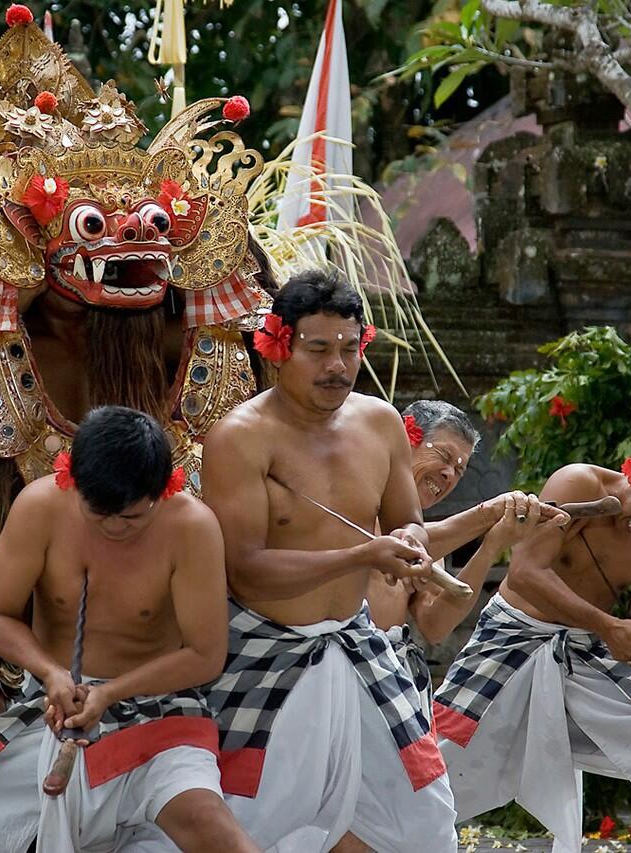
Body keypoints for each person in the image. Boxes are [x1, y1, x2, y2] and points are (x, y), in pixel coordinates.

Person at [0, 407, 259, 853]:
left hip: (158, 715)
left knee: (212, 830)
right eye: (101, 514)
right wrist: (53, 674)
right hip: (44, 706)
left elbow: (204, 655)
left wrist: (109, 694)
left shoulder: (192, 526)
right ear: (72, 480)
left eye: (132, 517)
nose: (115, 527)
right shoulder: (40, 506)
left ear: (162, 491)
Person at [151, 269, 458, 852]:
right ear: (279, 347)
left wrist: (412, 542)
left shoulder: (379, 422)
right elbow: (242, 569)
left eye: (349, 349)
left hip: (359, 645)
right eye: (318, 350)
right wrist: (362, 554)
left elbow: (406, 518)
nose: (337, 367)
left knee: (422, 817)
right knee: (248, 820)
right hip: (265, 651)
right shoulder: (240, 437)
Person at [433, 446, 631, 853]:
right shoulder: (579, 482)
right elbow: (525, 573)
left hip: (587, 649)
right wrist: (609, 626)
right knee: (433, 758)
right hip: (512, 635)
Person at [362, 400, 557, 713]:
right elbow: (396, 544)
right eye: (444, 456)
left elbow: (436, 625)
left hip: (390, 671)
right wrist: (486, 514)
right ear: (404, 440)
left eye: (460, 469)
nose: (449, 474)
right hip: (341, 659)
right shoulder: (357, 501)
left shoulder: (425, 537)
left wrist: (490, 547)